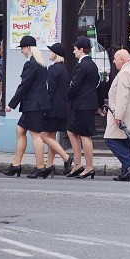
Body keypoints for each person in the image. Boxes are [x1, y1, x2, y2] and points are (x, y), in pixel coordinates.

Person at [4, 35, 51, 179]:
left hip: (33, 105)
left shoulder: (31, 64)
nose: (22, 51)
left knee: (36, 135)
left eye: (23, 48)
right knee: (20, 130)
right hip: (34, 104)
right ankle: (16, 164)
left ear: (29, 48)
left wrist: (11, 104)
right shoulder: (41, 64)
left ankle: (40, 167)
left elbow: (24, 86)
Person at [104, 49, 130, 181]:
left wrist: (118, 115)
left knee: (110, 139)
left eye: (115, 59)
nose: (114, 62)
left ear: (122, 59)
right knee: (126, 141)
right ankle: (127, 173)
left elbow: (122, 96)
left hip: (123, 113)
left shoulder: (125, 72)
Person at [66, 36, 99, 179]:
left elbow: (75, 85)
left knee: (85, 135)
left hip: (83, 104)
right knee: (71, 131)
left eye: (74, 49)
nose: (73, 52)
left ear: (80, 49)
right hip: (85, 103)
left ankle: (89, 166)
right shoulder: (92, 64)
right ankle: (78, 164)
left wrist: (65, 97)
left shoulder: (82, 65)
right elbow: (98, 83)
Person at [41, 42, 72, 177]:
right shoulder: (63, 69)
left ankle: (66, 157)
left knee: (44, 136)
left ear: (55, 54)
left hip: (52, 108)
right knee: (51, 136)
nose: (48, 53)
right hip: (61, 107)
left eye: (50, 51)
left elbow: (50, 91)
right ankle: (49, 165)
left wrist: (44, 107)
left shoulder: (53, 69)